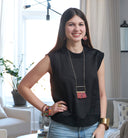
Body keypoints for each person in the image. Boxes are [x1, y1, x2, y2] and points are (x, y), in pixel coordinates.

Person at [18, 8, 109, 138]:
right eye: (71, 24)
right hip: (62, 130)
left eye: (80, 24)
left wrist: (102, 125)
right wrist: (47, 109)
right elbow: (23, 87)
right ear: (63, 28)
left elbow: (102, 95)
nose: (77, 29)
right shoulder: (52, 58)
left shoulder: (96, 57)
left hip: (92, 129)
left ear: (85, 28)